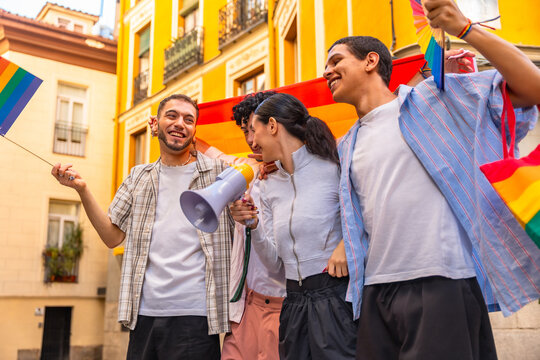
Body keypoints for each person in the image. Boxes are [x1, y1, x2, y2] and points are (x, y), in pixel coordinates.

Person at [323, 0, 540, 359]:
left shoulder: (436, 100)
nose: (326, 71)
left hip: (442, 281)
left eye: (336, 61)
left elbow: (532, 88)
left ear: (370, 61)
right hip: (375, 291)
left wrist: (465, 28)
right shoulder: (346, 145)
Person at [51, 94, 234, 360]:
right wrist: (82, 190)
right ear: (156, 125)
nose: (180, 123)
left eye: (188, 119)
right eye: (172, 116)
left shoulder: (220, 173)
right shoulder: (138, 176)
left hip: (196, 316)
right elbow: (112, 237)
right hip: (144, 315)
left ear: (195, 130)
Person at [230, 92, 357, 359]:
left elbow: (368, 214)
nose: (252, 141)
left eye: (254, 130)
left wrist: (347, 243)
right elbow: (276, 265)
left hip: (336, 299)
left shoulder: (336, 163)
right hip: (292, 305)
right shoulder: (267, 183)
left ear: (273, 126)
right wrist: (254, 225)